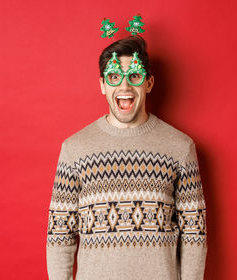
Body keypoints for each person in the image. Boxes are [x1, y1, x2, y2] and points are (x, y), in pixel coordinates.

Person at [46, 35, 207, 280]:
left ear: (149, 83)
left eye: (134, 76)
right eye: (114, 77)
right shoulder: (74, 149)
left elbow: (194, 235)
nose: (124, 87)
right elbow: (60, 236)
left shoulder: (180, 148)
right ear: (102, 85)